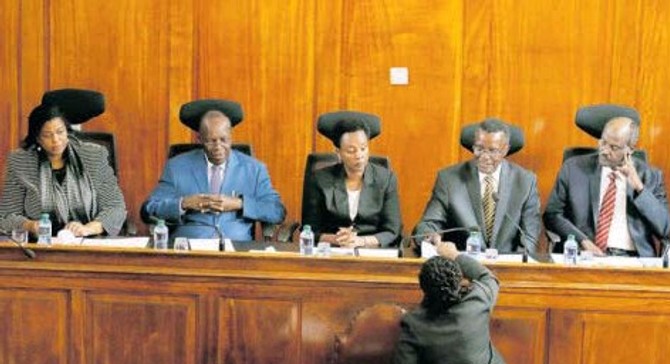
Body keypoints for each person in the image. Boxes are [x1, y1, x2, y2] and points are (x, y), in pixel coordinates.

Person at [391, 240, 506, 364]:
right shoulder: (477, 303)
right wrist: (455, 255)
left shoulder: (414, 324)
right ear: (459, 281)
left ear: (423, 287)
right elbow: (488, 277)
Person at [141, 99, 285, 240]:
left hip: (236, 251)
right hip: (190, 249)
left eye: (223, 139)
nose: (218, 147)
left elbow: (277, 211)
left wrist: (240, 204)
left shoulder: (254, 169)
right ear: (200, 139)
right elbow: (149, 210)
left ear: (231, 137)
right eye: (211, 141)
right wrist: (184, 203)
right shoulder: (176, 167)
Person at [543, 104, 670, 257]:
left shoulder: (650, 176)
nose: (604, 151)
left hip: (632, 259)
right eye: (603, 142)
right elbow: (552, 214)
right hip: (585, 255)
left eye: (613, 147)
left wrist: (639, 188)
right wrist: (582, 241)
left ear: (630, 150)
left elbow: (664, 228)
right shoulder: (574, 168)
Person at [413, 118, 541, 254]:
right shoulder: (449, 179)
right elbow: (429, 223)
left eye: (493, 151)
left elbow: (529, 236)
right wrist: (429, 235)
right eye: (479, 149)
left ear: (505, 150)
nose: (485, 157)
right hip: (461, 264)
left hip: (508, 265)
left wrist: (516, 266)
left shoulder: (525, 182)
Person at [0, 102, 127, 237]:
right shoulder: (21, 162)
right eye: (47, 135)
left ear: (67, 131)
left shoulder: (94, 156)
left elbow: (115, 208)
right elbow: (6, 216)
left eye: (60, 132)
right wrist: (31, 226)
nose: (55, 140)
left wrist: (88, 228)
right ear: (37, 138)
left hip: (88, 244)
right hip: (40, 246)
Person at [301, 111, 402, 248]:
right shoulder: (319, 179)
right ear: (338, 153)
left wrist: (362, 241)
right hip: (332, 252)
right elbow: (309, 229)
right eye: (351, 150)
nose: (359, 155)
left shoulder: (386, 179)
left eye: (363, 148)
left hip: (372, 253)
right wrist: (336, 239)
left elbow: (392, 231)